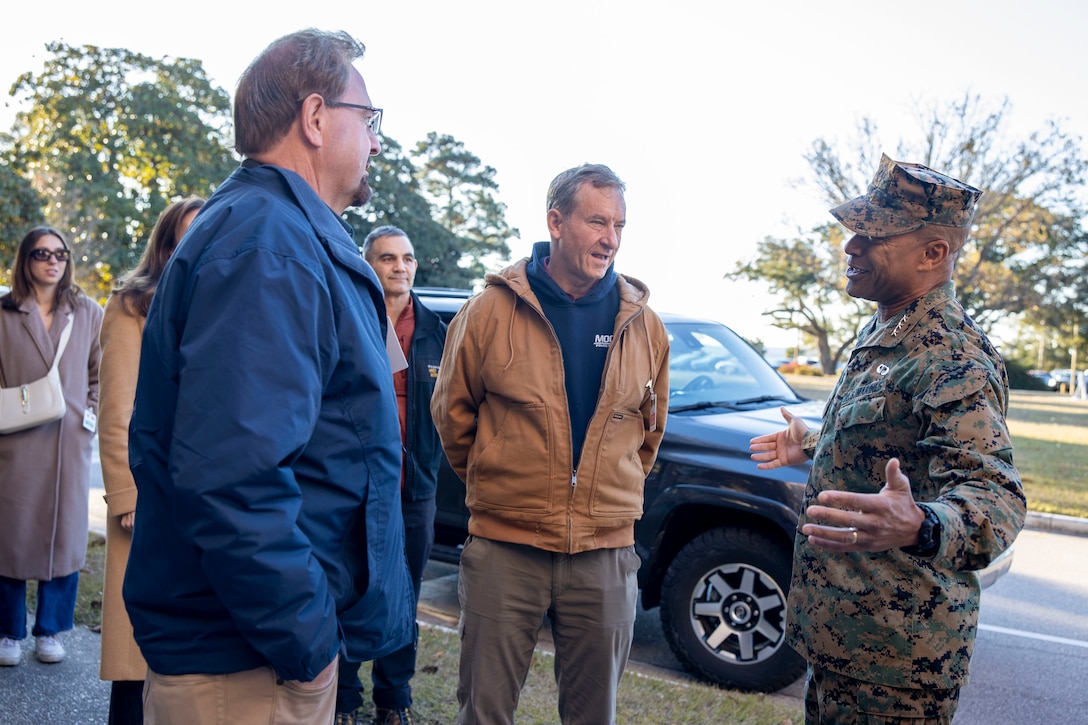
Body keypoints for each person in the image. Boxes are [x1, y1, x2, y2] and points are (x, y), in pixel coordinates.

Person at [122, 29, 413, 724]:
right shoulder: (268, 245)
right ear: (315, 118)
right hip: (246, 667)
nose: (376, 141)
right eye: (368, 120)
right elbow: (234, 476)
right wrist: (307, 640)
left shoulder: (278, 233)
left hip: (253, 653)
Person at [750, 154, 1026, 724]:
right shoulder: (886, 325)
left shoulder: (954, 358)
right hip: (842, 640)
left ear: (933, 254)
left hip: (897, 666)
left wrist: (922, 524)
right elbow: (894, 434)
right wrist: (816, 444)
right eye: (855, 230)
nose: (852, 246)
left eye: (874, 235)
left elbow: (996, 499)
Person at [431, 163, 670, 724]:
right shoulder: (488, 310)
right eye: (596, 221)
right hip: (504, 551)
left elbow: (649, 434)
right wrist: (504, 485)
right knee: (483, 713)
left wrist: (601, 501)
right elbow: (452, 414)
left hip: (605, 557)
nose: (610, 238)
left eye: (619, 225)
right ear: (556, 222)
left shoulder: (645, 325)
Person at [335, 226, 448, 725]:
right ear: (368, 264)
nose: (399, 267)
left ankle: (394, 699)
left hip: (414, 488)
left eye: (406, 258)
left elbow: (456, 409)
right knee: (352, 586)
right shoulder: (349, 316)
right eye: (387, 258)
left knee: (405, 593)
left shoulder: (437, 332)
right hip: (355, 486)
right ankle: (341, 699)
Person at [97, 196, 204, 724]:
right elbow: (117, 408)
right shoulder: (132, 304)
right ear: (165, 244)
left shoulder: (220, 300)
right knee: (135, 659)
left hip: (202, 498)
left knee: (183, 664)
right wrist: (127, 493)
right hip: (148, 496)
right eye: (187, 232)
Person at [0, 226, 103, 667]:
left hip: (67, 443)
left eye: (60, 253)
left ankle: (51, 629)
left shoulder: (87, 312)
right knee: (9, 536)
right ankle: (8, 631)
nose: (52, 261)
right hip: (13, 443)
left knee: (64, 535)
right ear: (25, 259)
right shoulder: (4, 312)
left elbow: (102, 373)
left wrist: (88, 419)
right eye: (41, 253)